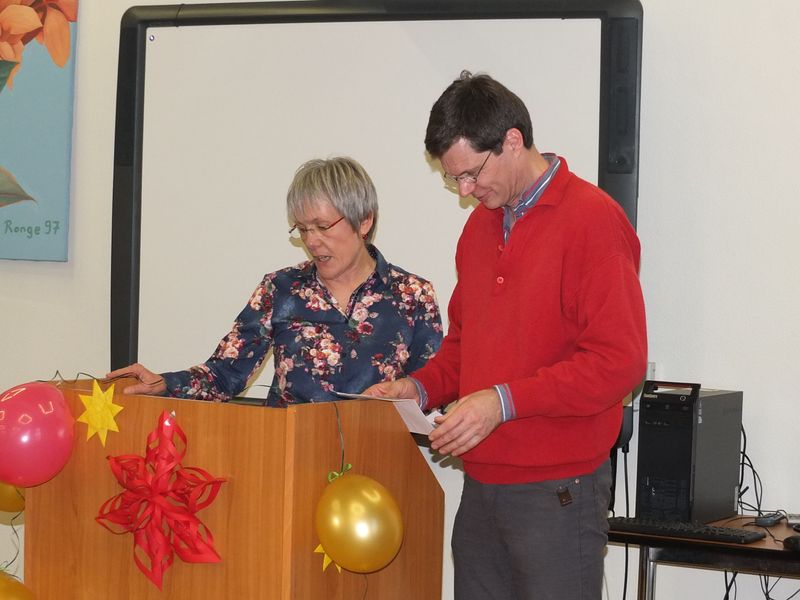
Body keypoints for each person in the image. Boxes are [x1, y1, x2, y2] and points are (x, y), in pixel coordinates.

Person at [363, 72, 647, 599]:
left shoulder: (593, 220)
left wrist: (502, 402)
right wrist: (417, 388)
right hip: (481, 489)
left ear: (512, 141)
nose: (466, 192)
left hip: (558, 491)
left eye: (471, 174)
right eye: (454, 180)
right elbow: (464, 347)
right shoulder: (480, 227)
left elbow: (618, 362)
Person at [108, 156, 442, 405]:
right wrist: (165, 384)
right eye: (302, 229)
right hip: (287, 458)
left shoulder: (412, 295)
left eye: (322, 227)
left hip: (379, 463)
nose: (312, 241)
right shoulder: (281, 289)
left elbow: (432, 389)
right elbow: (224, 375)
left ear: (364, 221)